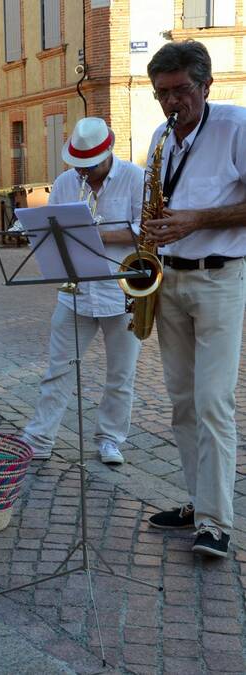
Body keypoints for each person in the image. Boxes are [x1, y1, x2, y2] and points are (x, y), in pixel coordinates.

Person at [144, 40, 246, 558]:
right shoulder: (161, 138)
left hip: (219, 278)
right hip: (169, 282)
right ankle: (196, 500)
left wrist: (198, 218)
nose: (170, 103)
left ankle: (215, 521)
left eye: (180, 90)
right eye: (161, 92)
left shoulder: (236, 126)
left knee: (212, 403)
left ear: (206, 85)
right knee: (182, 404)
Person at [21, 117, 144, 465]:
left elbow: (146, 229)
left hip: (123, 290)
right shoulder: (66, 181)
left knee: (121, 374)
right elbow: (54, 230)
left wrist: (95, 235)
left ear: (109, 153)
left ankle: (110, 439)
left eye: (91, 166)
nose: (85, 174)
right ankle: (40, 437)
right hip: (76, 292)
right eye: (80, 167)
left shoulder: (135, 178)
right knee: (58, 368)